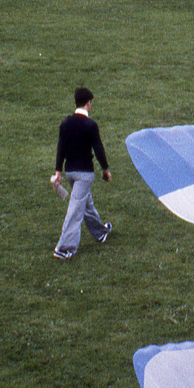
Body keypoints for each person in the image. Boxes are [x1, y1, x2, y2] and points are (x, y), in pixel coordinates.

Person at [51, 86, 112, 259]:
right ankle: (64, 248)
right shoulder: (90, 125)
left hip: (70, 173)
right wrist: (105, 170)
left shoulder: (65, 123)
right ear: (88, 103)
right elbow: (98, 149)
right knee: (76, 210)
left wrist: (58, 171)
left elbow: (60, 148)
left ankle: (101, 232)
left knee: (85, 204)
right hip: (84, 175)